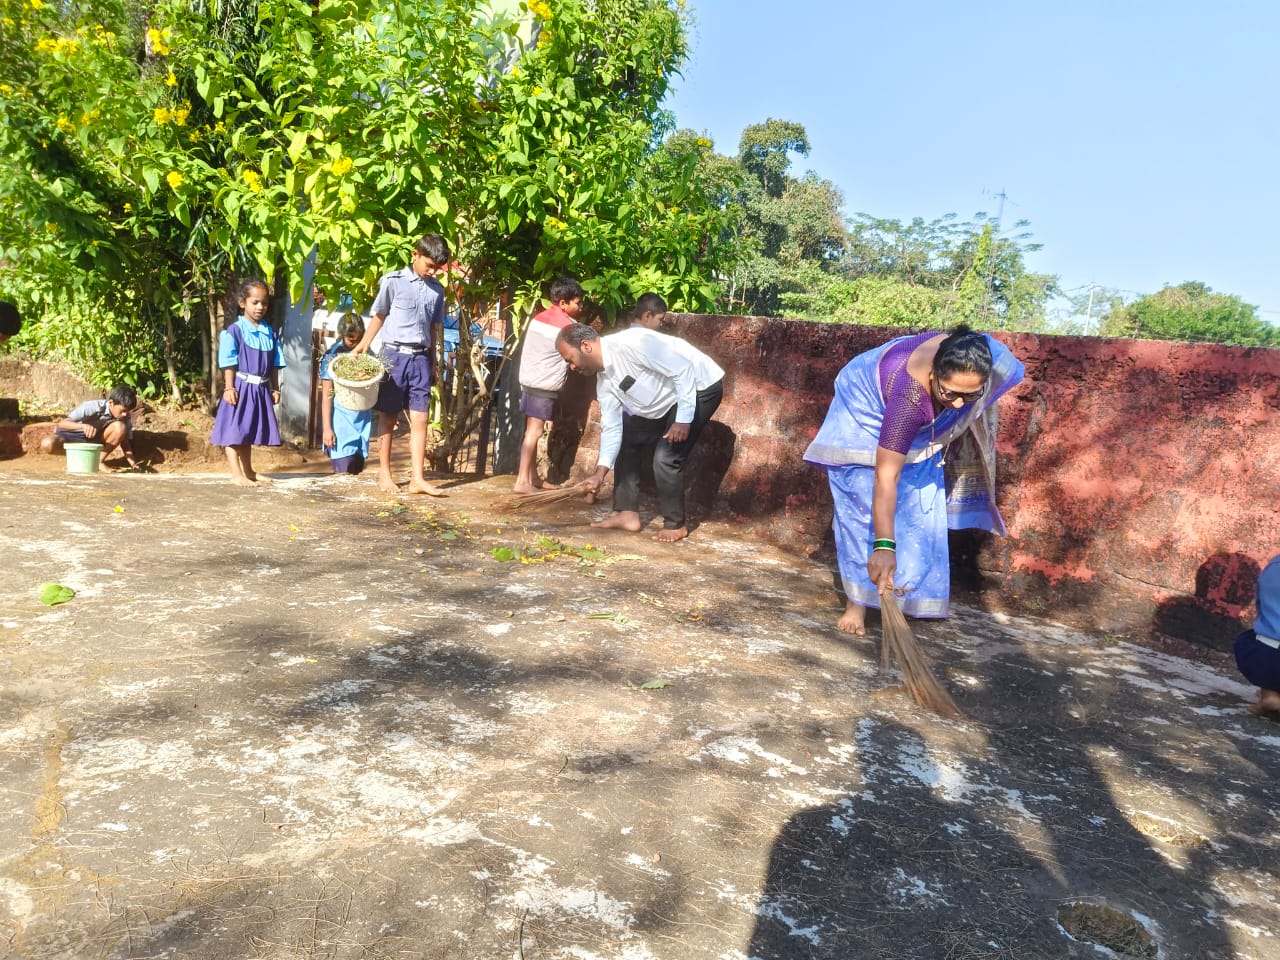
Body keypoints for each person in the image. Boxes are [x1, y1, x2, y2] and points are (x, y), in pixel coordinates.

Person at [803, 325, 1025, 635]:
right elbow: (886, 476)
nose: (958, 405)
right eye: (950, 393)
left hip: (912, 402)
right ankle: (857, 603)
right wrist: (884, 546)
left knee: (920, 500)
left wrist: (965, 402)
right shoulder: (909, 401)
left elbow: (1006, 370)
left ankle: (906, 594)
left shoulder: (979, 350)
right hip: (863, 406)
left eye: (970, 395)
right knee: (862, 503)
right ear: (934, 374)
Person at [556, 320, 724, 543]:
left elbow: (683, 370)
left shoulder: (634, 343)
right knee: (629, 437)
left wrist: (683, 420)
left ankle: (676, 524)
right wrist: (599, 474)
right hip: (667, 399)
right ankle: (627, 513)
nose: (571, 367)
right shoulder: (604, 381)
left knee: (666, 457)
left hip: (700, 386)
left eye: (570, 359)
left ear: (585, 346)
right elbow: (612, 427)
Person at [352, 234, 450, 496]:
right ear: (415, 255)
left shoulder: (437, 290)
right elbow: (380, 315)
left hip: (421, 359)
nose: (433, 272)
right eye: (429, 265)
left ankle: (417, 479)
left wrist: (433, 361)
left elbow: (433, 329)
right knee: (389, 415)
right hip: (393, 357)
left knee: (421, 418)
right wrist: (364, 344)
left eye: (437, 268)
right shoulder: (393, 281)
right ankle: (384, 474)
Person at [209, 278, 283, 486]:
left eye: (264, 303)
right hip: (240, 388)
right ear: (243, 303)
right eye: (255, 302)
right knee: (234, 430)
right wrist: (229, 387)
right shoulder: (234, 331)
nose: (260, 307)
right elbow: (229, 362)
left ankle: (249, 471)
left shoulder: (269, 332)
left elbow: (275, 363)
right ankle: (236, 473)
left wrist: (275, 388)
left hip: (260, 389)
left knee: (247, 430)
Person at [514, 276, 585, 493]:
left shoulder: (539, 318)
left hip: (530, 380)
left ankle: (533, 477)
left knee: (531, 430)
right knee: (534, 432)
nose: (581, 307)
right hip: (543, 384)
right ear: (563, 303)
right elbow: (578, 357)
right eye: (578, 303)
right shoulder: (567, 327)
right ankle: (522, 482)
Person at [319, 312, 373, 475]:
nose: (355, 344)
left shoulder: (367, 354)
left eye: (359, 339)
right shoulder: (332, 356)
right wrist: (327, 428)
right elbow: (327, 395)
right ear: (342, 335)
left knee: (356, 472)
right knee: (343, 473)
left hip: (362, 421)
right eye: (351, 339)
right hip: (341, 423)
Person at [40, 383, 141, 468]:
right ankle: (77, 458)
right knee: (48, 444)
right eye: (123, 411)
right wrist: (83, 426)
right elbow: (63, 423)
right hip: (71, 435)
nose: (125, 414)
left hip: (94, 439)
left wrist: (133, 464)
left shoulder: (125, 417)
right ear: (111, 403)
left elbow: (125, 442)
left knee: (120, 427)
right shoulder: (92, 406)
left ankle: (97, 461)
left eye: (128, 411)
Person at [1235, 554, 1280, 717]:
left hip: (1265, 658)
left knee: (1247, 639)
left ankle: (1269, 695)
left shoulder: (1275, 564)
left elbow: (1261, 606)